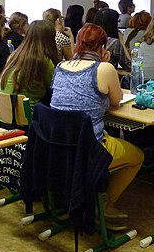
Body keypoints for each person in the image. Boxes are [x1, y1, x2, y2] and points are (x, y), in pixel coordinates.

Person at [50, 24, 143, 221]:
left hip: (59, 147)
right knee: (137, 156)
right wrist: (105, 64)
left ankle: (87, 197)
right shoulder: (104, 68)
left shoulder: (60, 66)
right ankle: (104, 204)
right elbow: (116, 101)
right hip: (91, 149)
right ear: (102, 47)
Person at [0, 20, 58, 107]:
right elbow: (54, 87)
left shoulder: (14, 55)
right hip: (27, 115)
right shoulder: (43, 61)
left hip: (5, 112)